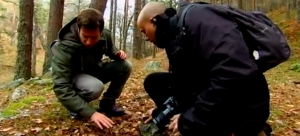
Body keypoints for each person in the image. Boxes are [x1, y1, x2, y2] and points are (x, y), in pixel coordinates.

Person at [137, 1, 271, 136]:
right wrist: (162, 112)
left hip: (245, 104)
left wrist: (190, 120)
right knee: (154, 81)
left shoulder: (198, 19)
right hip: (214, 90)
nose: (146, 38)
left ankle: (250, 129)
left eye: (144, 31)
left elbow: (234, 76)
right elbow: (183, 84)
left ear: (153, 21)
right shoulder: (174, 37)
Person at [51, 8, 132, 129]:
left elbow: (110, 50)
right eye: (85, 36)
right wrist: (91, 113)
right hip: (74, 77)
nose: (89, 42)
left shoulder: (106, 35)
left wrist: (118, 54)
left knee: (125, 66)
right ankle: (76, 108)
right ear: (78, 29)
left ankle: (107, 103)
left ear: (100, 32)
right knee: (95, 87)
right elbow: (61, 86)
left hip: (94, 70)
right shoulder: (63, 47)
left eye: (94, 37)